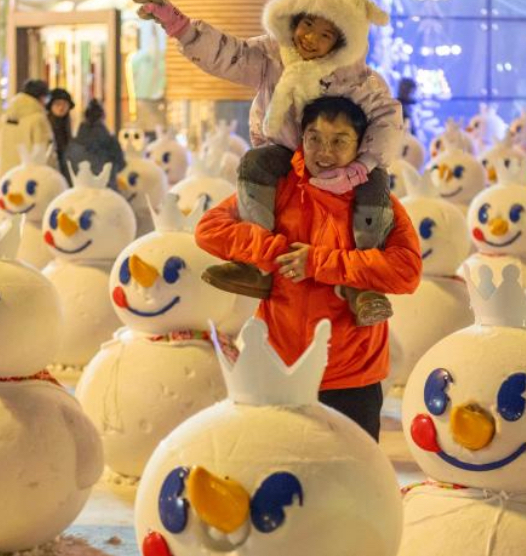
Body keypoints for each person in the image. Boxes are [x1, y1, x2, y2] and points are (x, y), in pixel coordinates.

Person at [138, 0, 404, 327]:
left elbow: (387, 119)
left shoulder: (358, 79)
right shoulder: (271, 56)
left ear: (342, 42)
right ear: (292, 17)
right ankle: (255, 264)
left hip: (345, 168)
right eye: (308, 24)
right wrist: (177, 25)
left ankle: (361, 286)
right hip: (281, 154)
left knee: (376, 184)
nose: (310, 38)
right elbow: (225, 54)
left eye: (326, 34)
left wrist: (361, 166)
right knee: (255, 163)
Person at [195, 96, 422, 440]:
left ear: (360, 145)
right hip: (278, 365)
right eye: (314, 138)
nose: (324, 151)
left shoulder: (376, 203)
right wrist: (276, 251)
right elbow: (209, 229)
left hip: (351, 374)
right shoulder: (279, 190)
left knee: (348, 479)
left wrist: (319, 262)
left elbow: (406, 271)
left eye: (338, 141)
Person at [66, 99, 126, 190]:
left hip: (79, 193)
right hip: (106, 191)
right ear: (102, 117)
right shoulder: (110, 142)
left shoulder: (74, 144)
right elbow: (121, 165)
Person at [0, 78, 54, 174]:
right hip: (29, 179)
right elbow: (41, 152)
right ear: (41, 97)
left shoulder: (8, 116)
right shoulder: (38, 119)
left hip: (7, 175)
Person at [47, 88, 76, 183]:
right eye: (57, 104)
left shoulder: (67, 125)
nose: (61, 108)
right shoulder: (45, 125)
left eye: (64, 104)